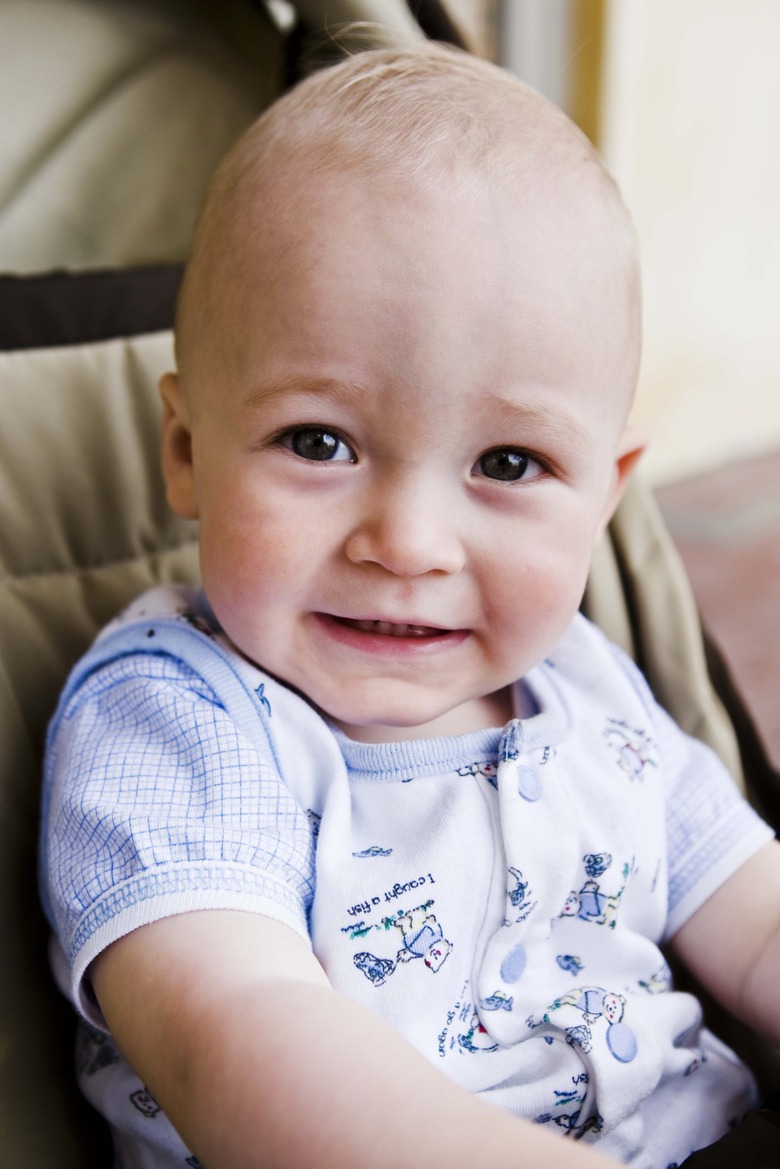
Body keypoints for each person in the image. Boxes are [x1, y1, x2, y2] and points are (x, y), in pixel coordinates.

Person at [40, 43, 780, 1169]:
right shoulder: (177, 721)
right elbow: (237, 1044)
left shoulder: (583, 680)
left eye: (512, 462)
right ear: (186, 450)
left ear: (606, 498)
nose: (409, 543)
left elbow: (760, 920)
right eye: (319, 442)